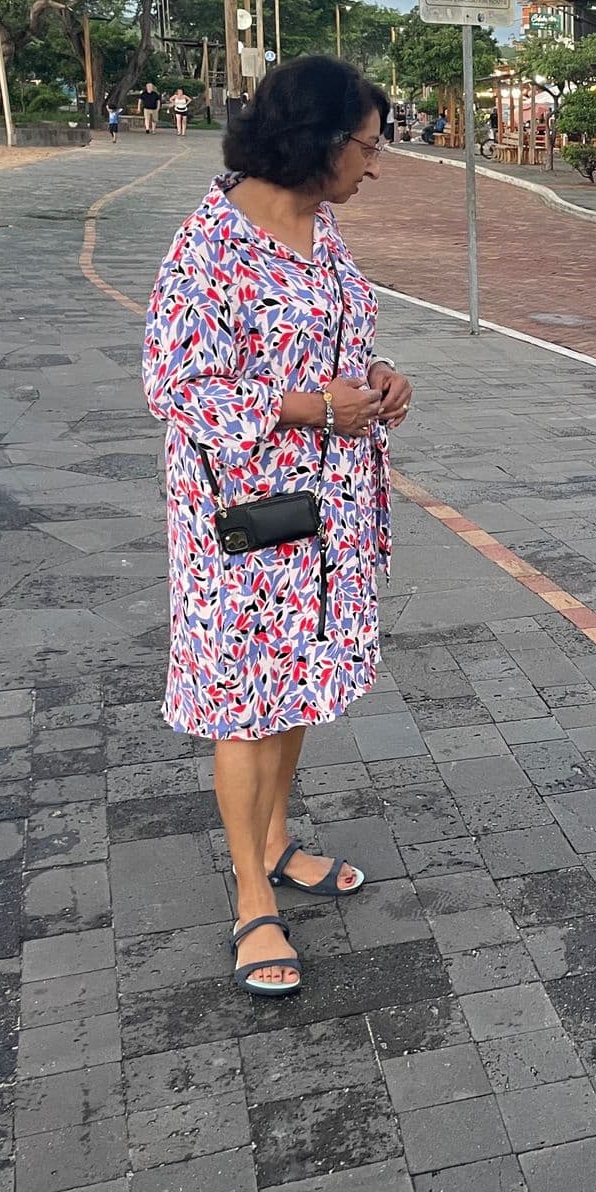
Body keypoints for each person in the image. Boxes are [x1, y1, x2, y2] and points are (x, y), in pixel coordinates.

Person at [142, 55, 412, 999]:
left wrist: (378, 380)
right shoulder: (211, 243)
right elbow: (174, 386)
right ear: (318, 140)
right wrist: (307, 408)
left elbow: (336, 338)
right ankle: (252, 896)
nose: (374, 167)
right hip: (248, 521)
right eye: (369, 147)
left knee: (296, 686)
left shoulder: (320, 229)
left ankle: (276, 839)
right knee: (243, 703)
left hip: (328, 511)